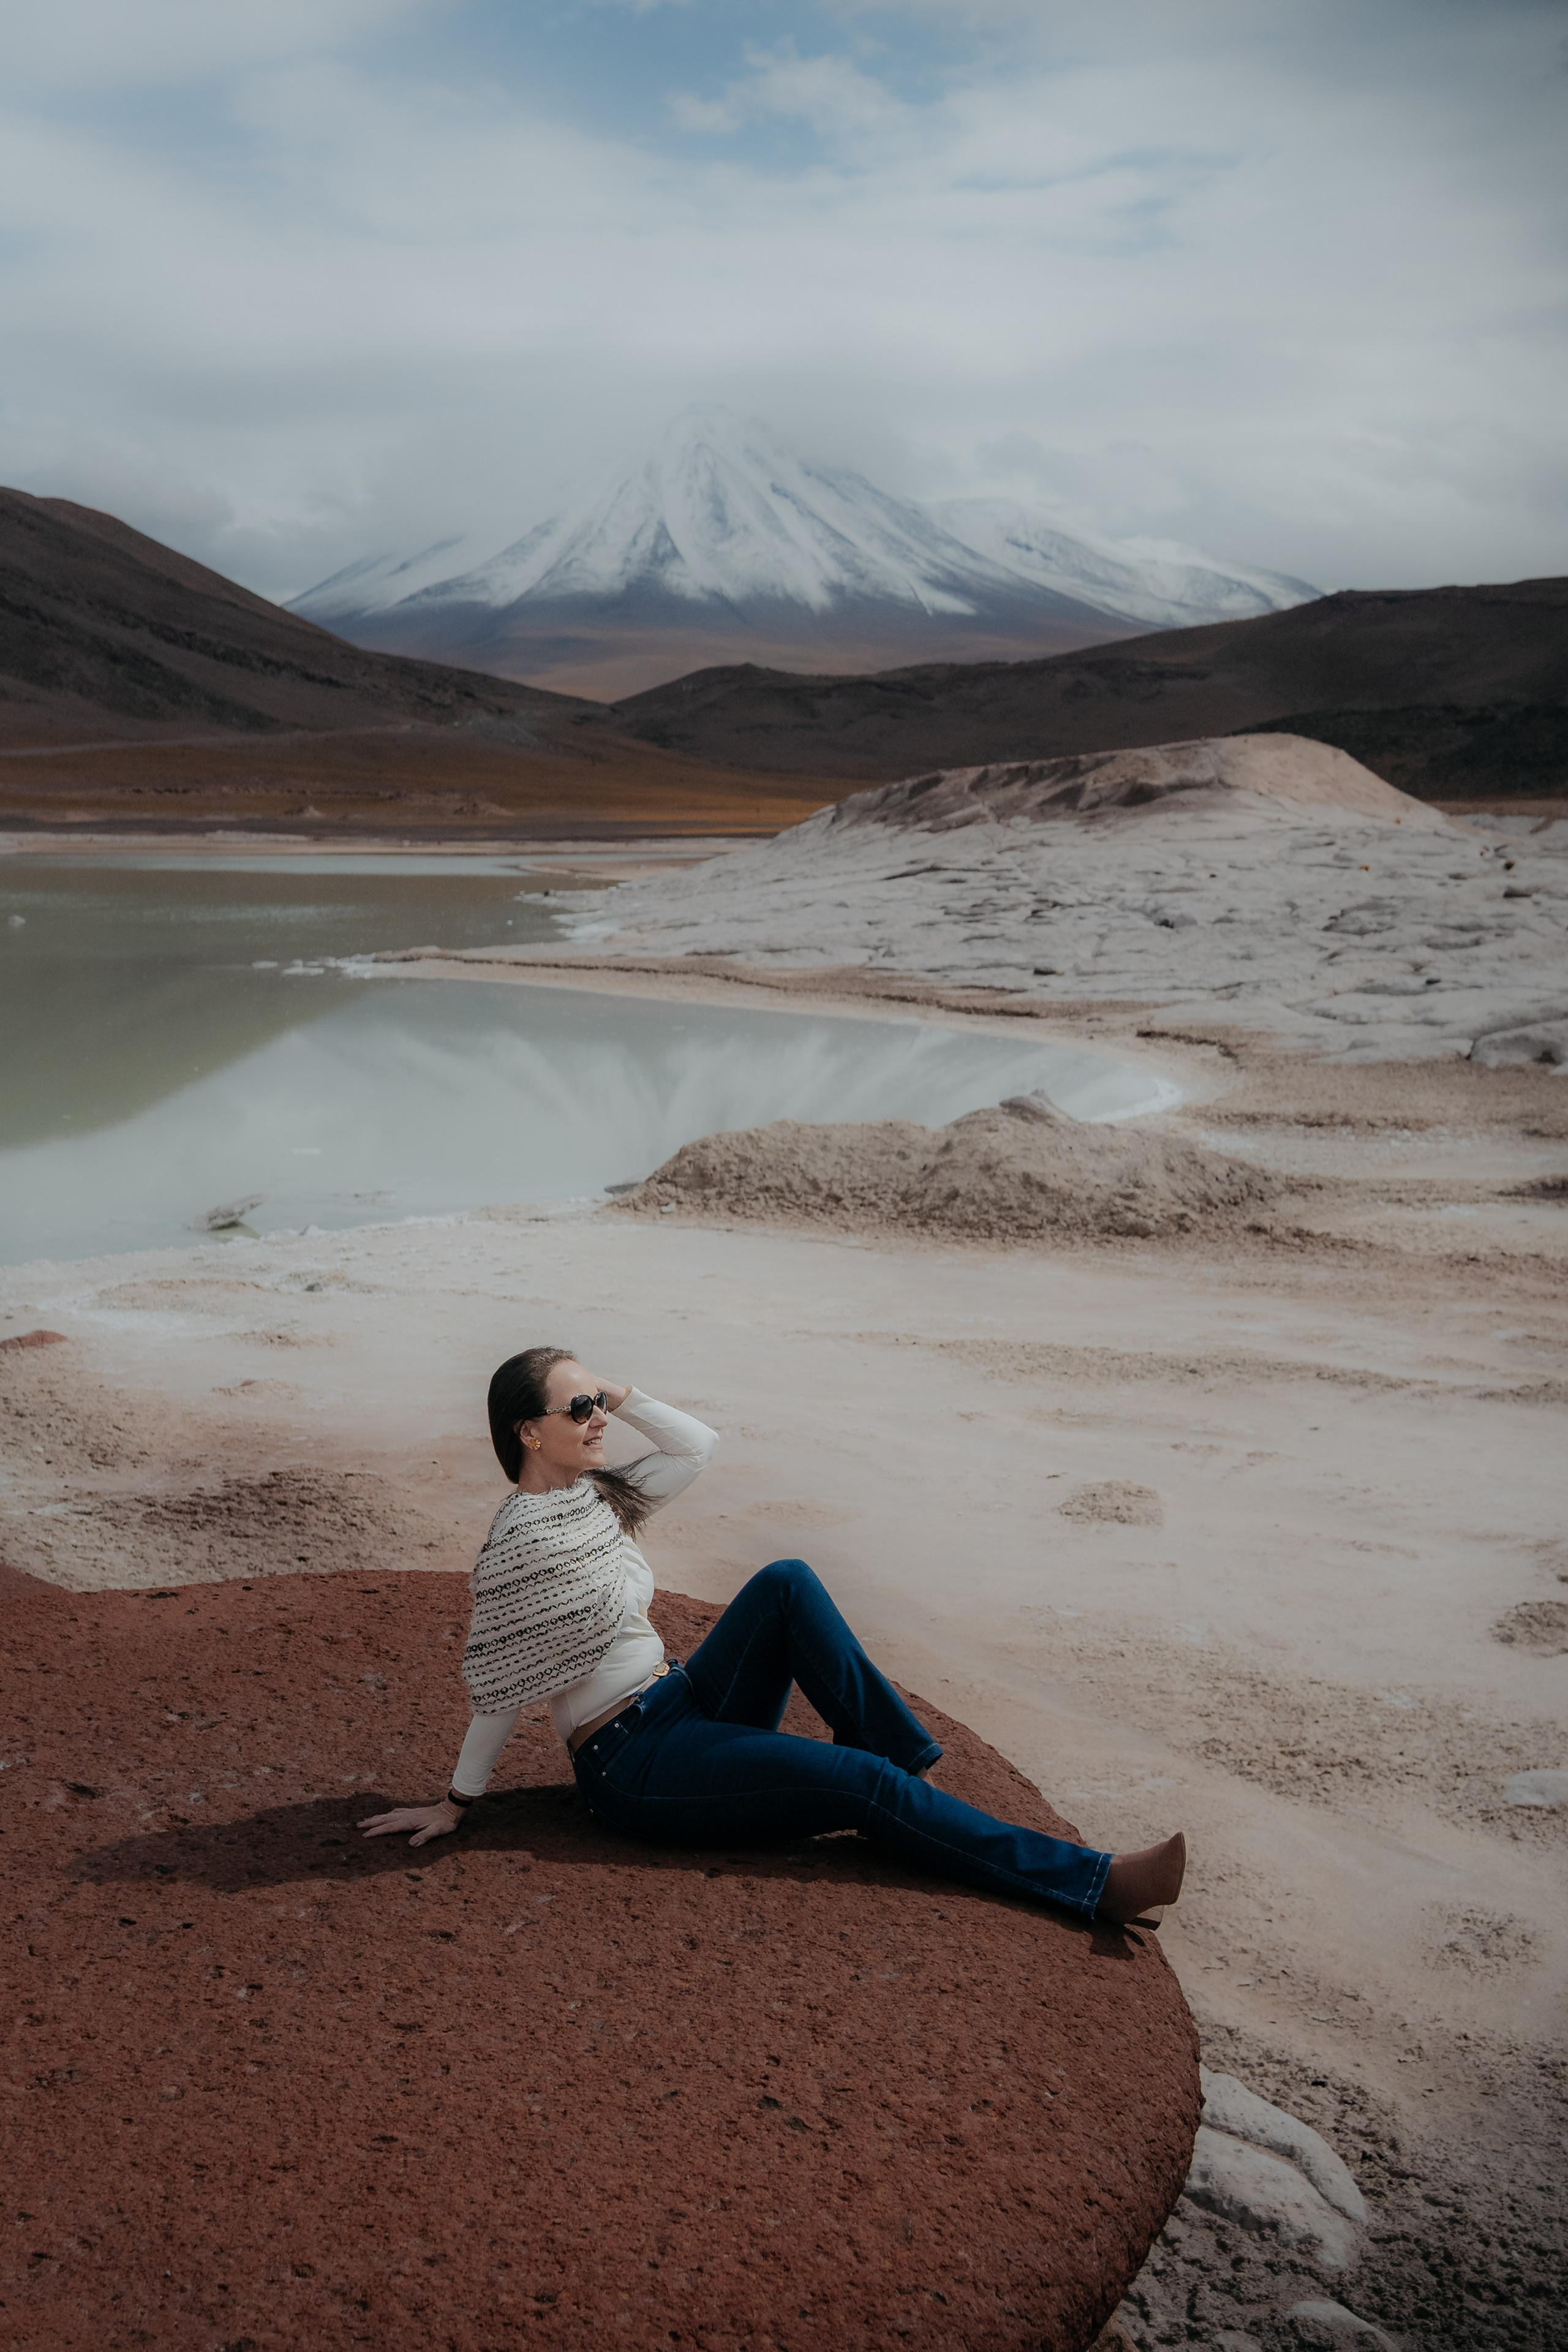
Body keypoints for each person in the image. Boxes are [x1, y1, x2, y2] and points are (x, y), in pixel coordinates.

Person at [360, 1349, 1186, 1925]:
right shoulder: (523, 1545)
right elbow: (501, 1686)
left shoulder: (597, 1499)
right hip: (635, 1765)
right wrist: (455, 1803)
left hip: (679, 1703)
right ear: (528, 1433)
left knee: (787, 1581)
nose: (598, 1418)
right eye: (578, 1408)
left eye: (596, 1403)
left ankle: (898, 1768)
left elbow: (699, 1447)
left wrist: (617, 1390)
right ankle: (1093, 1886)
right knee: (859, 1788)